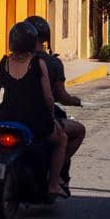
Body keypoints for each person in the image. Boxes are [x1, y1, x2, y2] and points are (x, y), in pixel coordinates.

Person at [0, 21, 67, 199]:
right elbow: (48, 96)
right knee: (61, 138)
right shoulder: (38, 63)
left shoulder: (4, 63)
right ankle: (54, 183)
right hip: (32, 119)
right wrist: (51, 116)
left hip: (6, 115)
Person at [27, 15, 86, 195]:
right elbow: (58, 96)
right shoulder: (50, 63)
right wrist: (75, 101)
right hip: (40, 117)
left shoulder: (14, 60)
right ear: (45, 38)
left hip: (13, 114)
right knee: (77, 131)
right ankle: (55, 172)